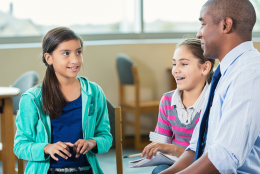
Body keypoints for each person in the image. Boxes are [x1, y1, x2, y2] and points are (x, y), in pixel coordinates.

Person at [160, 0, 260, 174]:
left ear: (226, 25)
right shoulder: (225, 72)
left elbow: (224, 157)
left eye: (203, 24)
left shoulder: (249, 74)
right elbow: (197, 145)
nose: (199, 34)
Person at [13, 27, 112, 174]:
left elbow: (106, 137)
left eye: (78, 52)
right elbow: (20, 146)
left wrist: (91, 142)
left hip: (86, 170)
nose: (75, 59)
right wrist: (47, 148)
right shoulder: (32, 98)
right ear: (49, 58)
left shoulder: (94, 92)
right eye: (66, 53)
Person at [141, 39, 215, 174]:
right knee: (158, 171)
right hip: (174, 162)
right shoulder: (167, 100)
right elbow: (161, 142)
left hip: (204, 166)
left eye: (184, 63)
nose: (176, 70)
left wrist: (173, 149)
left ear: (205, 68)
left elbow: (211, 158)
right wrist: (156, 149)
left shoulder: (215, 102)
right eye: (174, 64)